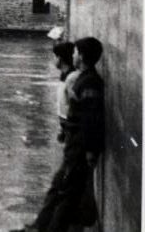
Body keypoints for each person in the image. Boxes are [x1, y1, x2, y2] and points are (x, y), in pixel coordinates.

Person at [11, 36, 105, 232]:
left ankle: (46, 227)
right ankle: (40, 226)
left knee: (67, 194)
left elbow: (91, 119)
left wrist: (89, 150)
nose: (73, 55)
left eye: (76, 52)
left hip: (79, 148)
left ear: (83, 56)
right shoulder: (83, 79)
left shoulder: (89, 83)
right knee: (60, 188)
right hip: (75, 146)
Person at [50, 41, 75, 143]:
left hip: (71, 128)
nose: (53, 60)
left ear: (60, 58)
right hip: (67, 126)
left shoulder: (71, 78)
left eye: (54, 57)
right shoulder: (64, 75)